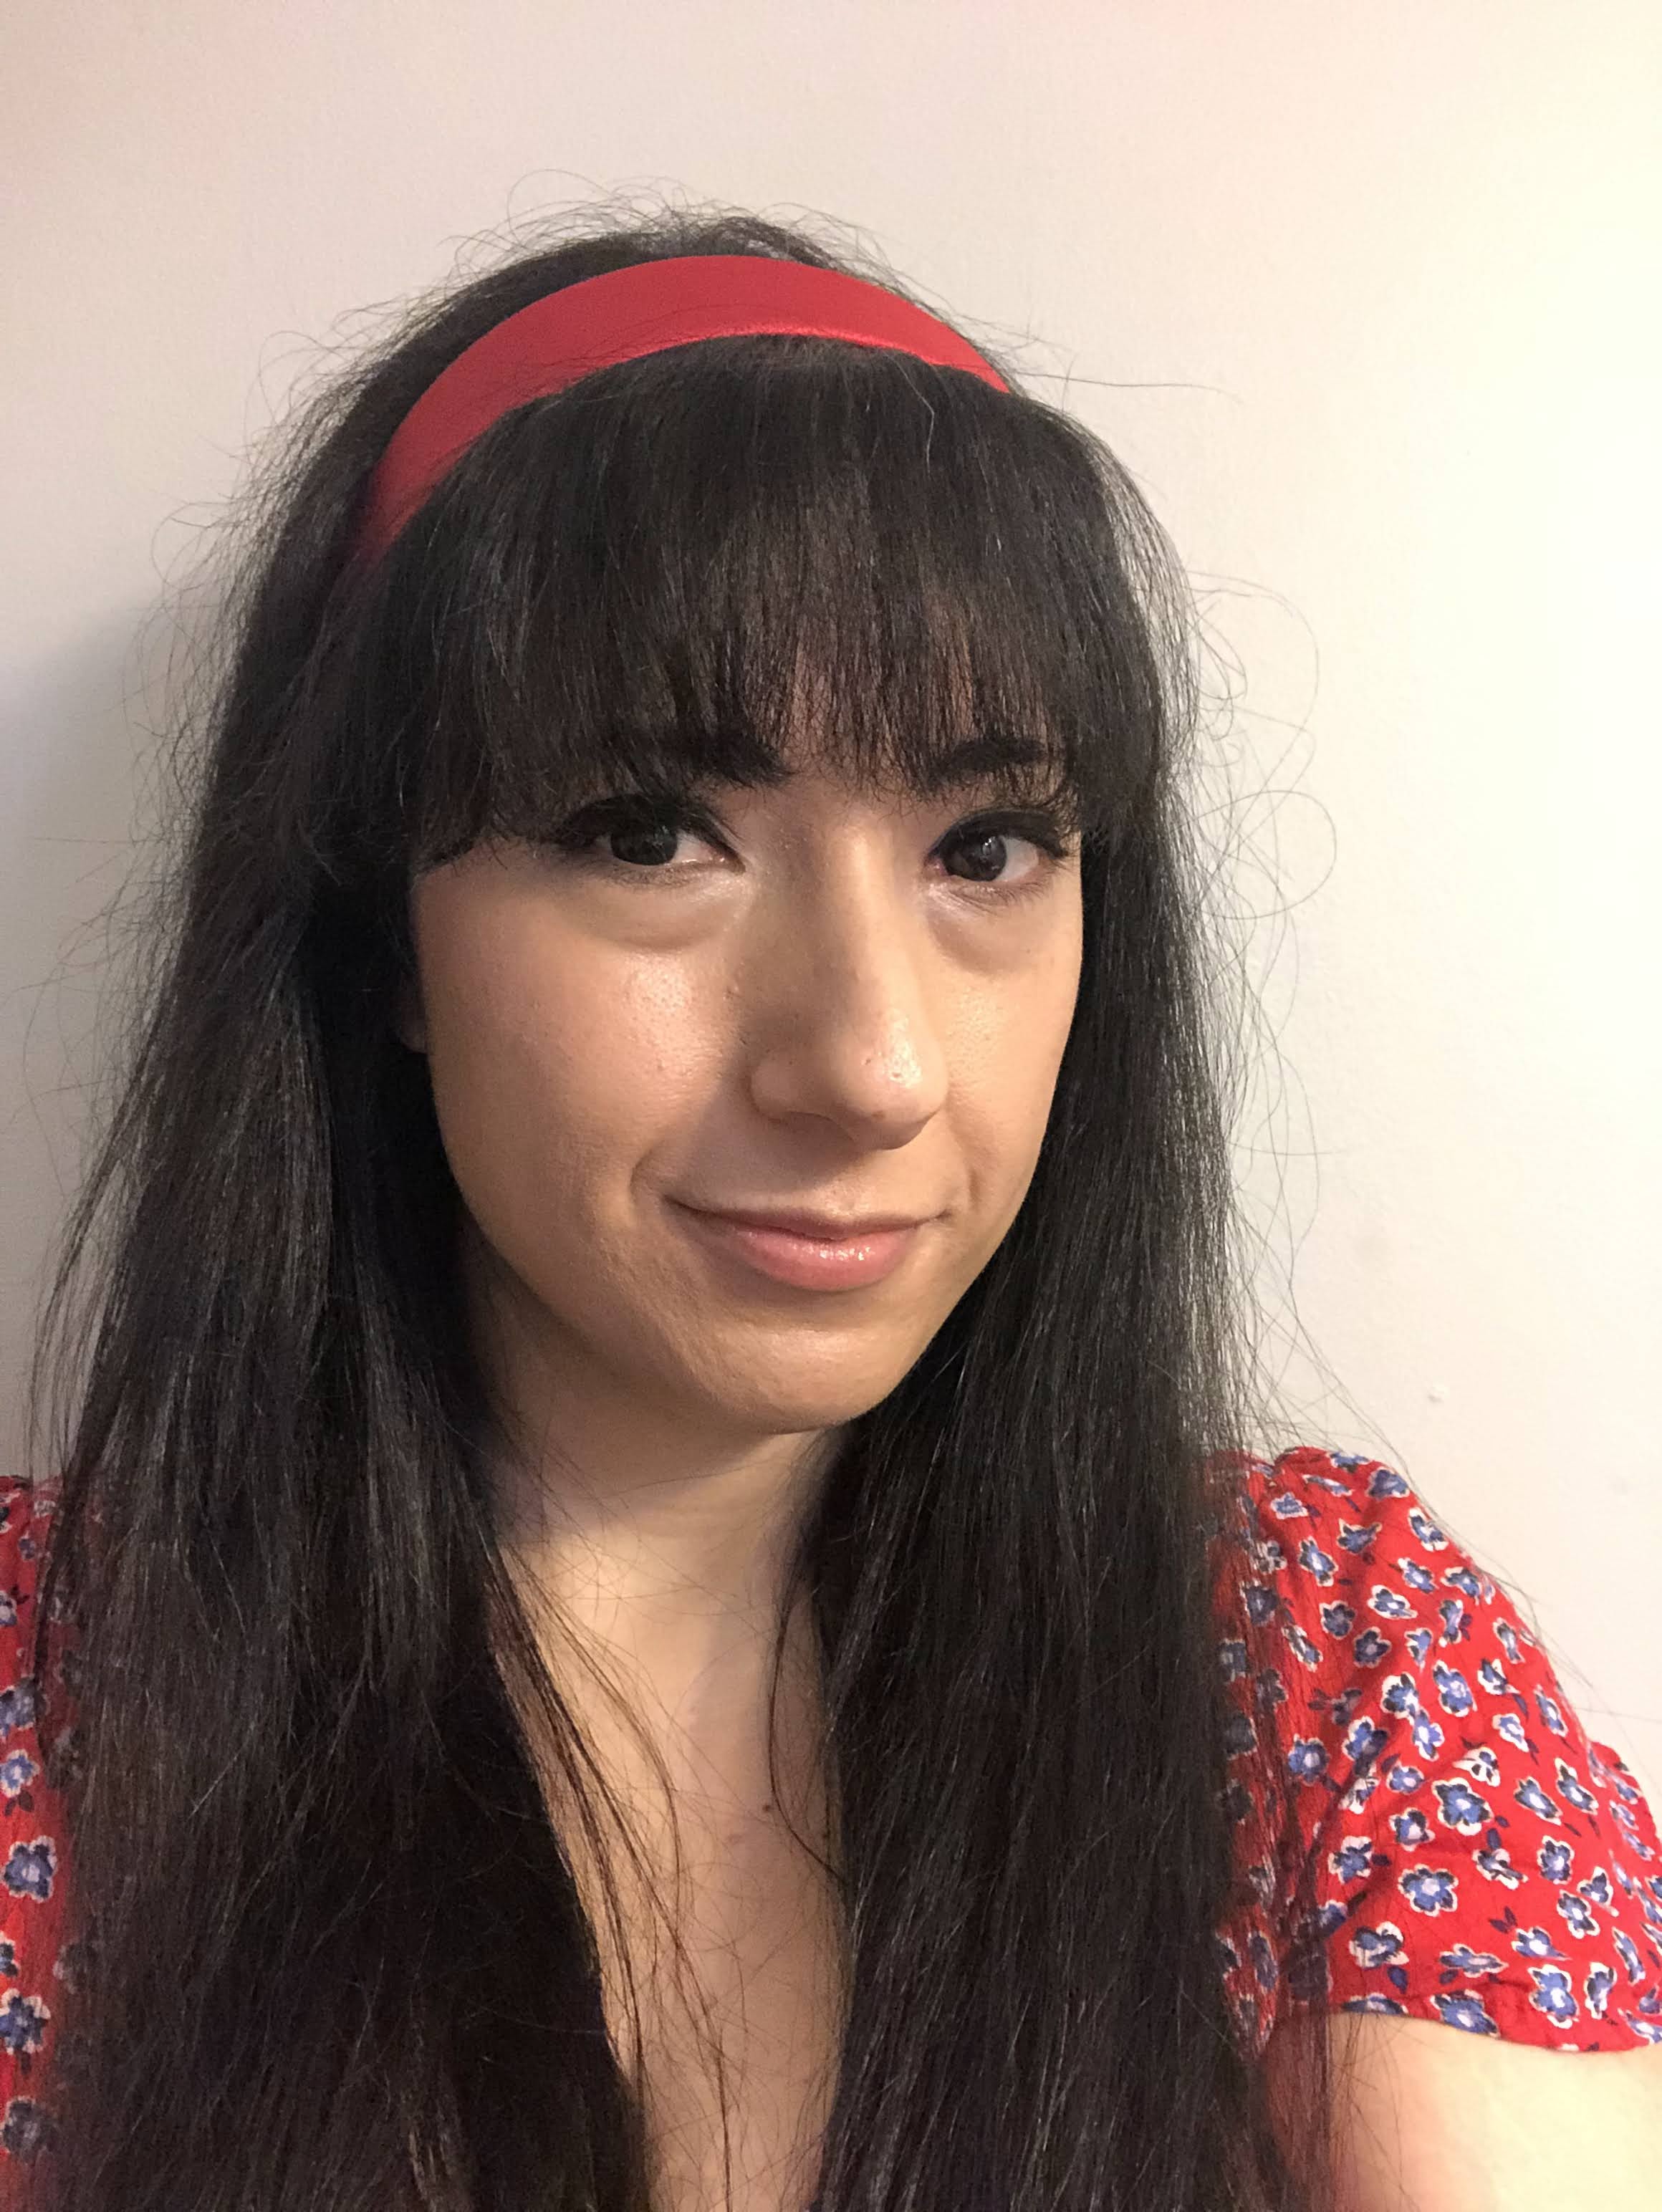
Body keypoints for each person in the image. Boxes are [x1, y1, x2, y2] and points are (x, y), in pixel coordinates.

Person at [5, 206, 1658, 2212]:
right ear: (381, 949)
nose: (872, 1063)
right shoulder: (54, 1695)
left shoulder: (1328, 1680)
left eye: (987, 844)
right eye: (649, 833)